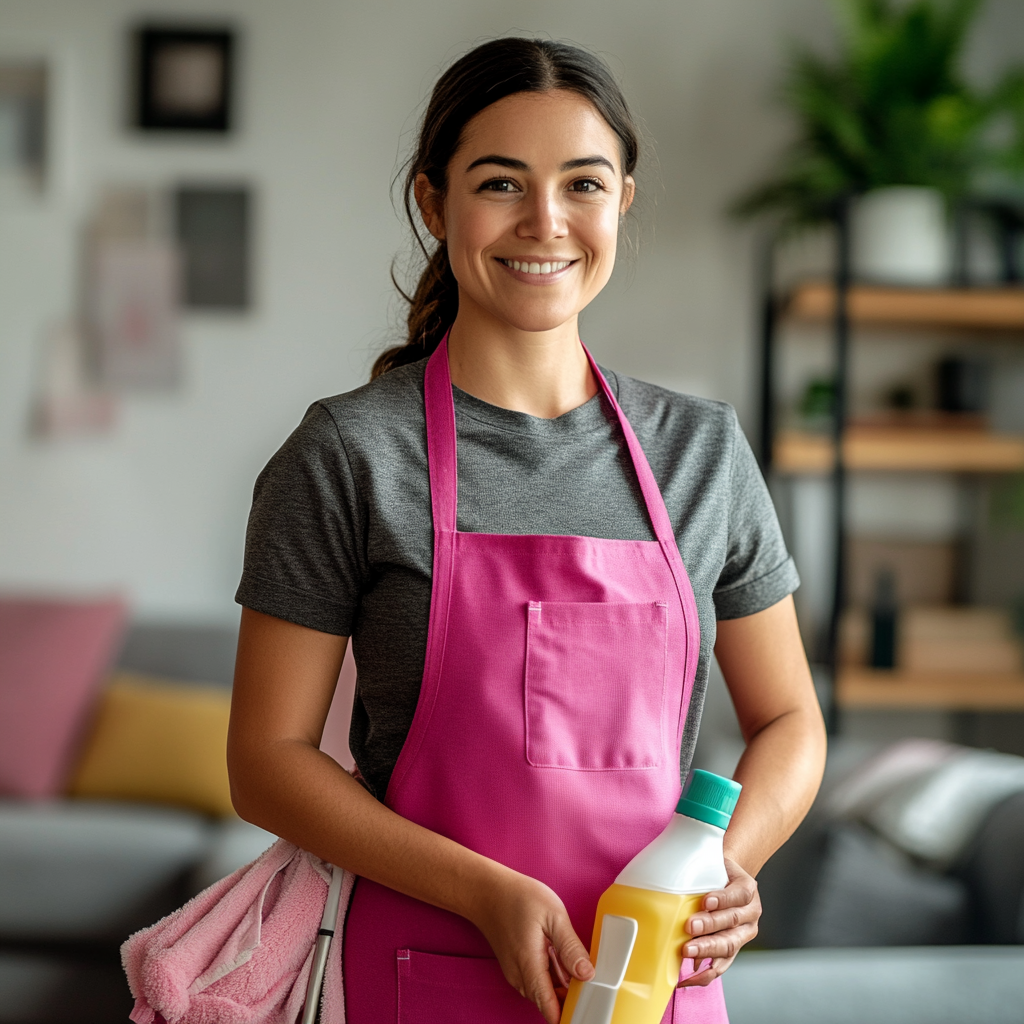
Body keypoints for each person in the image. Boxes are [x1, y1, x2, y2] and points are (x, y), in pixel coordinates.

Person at [228, 37, 826, 1024]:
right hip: (428, 963)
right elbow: (266, 758)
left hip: (655, 982)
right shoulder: (350, 454)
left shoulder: (701, 452)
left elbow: (790, 721)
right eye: (500, 183)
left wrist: (724, 863)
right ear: (435, 202)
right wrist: (483, 890)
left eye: (581, 184)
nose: (544, 222)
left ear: (622, 200)